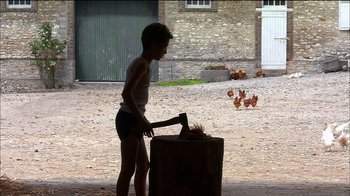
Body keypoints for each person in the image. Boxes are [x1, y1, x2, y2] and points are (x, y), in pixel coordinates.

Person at [115, 23, 173, 196]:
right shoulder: (141, 65)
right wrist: (141, 119)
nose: (165, 52)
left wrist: (140, 119)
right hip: (128, 119)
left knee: (144, 165)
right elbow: (126, 94)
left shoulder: (143, 63)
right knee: (128, 169)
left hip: (132, 118)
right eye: (164, 47)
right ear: (154, 44)